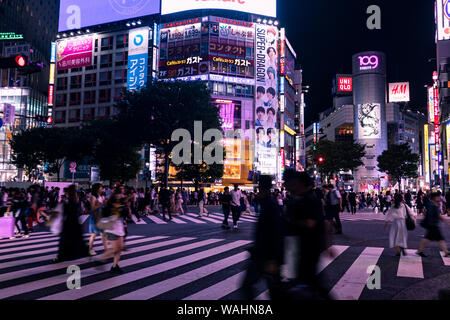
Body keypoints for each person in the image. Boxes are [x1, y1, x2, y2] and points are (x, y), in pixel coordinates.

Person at [283, 170, 330, 300]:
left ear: (300, 183)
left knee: (311, 281)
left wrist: (291, 221)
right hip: (304, 247)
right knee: (311, 280)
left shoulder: (309, 199)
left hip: (308, 247)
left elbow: (311, 223)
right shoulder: (301, 198)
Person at [242, 175, 284, 300]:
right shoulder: (267, 203)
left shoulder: (270, 204)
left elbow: (275, 231)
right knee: (274, 289)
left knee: (249, 286)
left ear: (261, 188)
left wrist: (273, 259)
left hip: (266, 255)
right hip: (263, 253)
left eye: (259, 188)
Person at [53, 185, 90, 263]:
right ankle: (83, 254)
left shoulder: (68, 201)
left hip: (68, 224)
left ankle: (61, 257)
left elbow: (64, 213)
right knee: (77, 241)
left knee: (64, 242)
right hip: (75, 224)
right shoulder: (75, 200)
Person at [97, 186, 127, 274]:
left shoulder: (121, 203)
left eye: (123, 193)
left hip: (119, 227)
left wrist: (123, 210)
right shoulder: (109, 203)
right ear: (116, 194)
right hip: (111, 228)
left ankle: (114, 266)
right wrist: (116, 213)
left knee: (120, 248)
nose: (122, 195)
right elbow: (105, 215)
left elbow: (123, 214)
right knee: (115, 249)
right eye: (121, 193)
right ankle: (101, 258)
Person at [416, 192, 450, 258]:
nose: (440, 198)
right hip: (433, 225)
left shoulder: (432, 204)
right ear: (435, 197)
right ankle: (419, 251)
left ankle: (446, 251)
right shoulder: (433, 205)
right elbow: (436, 215)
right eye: (438, 196)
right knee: (432, 238)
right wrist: (445, 220)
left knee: (434, 238)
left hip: (432, 225)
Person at [88, 183, 108, 256]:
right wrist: (100, 204)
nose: (102, 188)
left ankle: (106, 249)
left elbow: (103, 206)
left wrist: (105, 203)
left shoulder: (102, 196)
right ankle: (90, 249)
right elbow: (92, 208)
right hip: (95, 217)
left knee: (103, 234)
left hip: (101, 217)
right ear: (97, 189)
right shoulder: (93, 197)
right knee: (94, 234)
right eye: (101, 187)